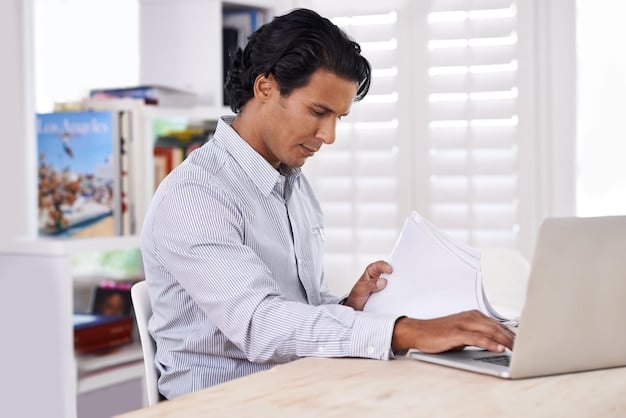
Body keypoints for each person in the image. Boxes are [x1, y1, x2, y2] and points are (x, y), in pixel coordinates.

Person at [140, 8, 514, 400]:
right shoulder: (196, 197)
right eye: (318, 112)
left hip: (300, 389)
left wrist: (349, 305)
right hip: (225, 404)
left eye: (339, 117)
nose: (329, 135)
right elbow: (259, 324)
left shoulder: (292, 184)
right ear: (265, 88)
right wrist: (406, 330)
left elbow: (297, 311)